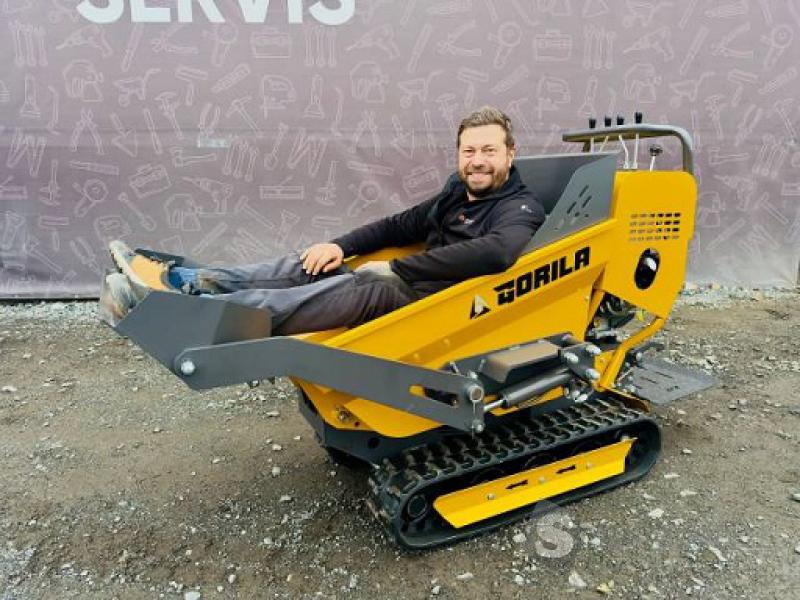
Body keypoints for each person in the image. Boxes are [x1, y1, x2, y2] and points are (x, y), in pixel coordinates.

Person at [100, 105, 545, 334]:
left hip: (442, 309)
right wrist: (339, 246)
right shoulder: (455, 192)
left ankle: (188, 316)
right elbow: (398, 225)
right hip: (407, 287)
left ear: (510, 154)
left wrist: (395, 268)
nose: (477, 160)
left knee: (348, 289)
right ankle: (189, 283)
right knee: (311, 264)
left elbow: (497, 252)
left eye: (489, 150)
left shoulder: (519, 207)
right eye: (469, 150)